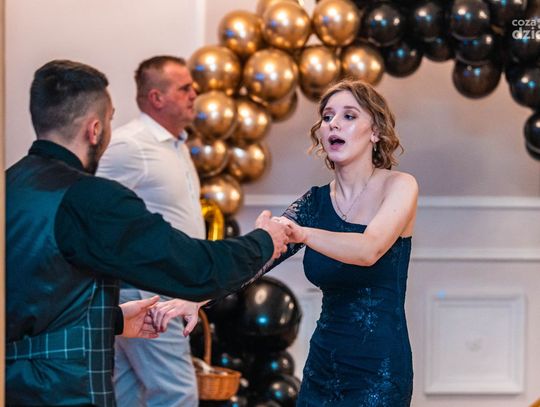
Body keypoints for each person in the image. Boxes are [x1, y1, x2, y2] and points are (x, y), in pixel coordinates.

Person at [6, 59, 291, 407]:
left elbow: (37, 298)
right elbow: (195, 270)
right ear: (95, 130)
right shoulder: (90, 197)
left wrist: (112, 320)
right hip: (60, 390)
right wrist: (265, 241)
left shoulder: (11, 183)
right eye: (110, 120)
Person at [264, 79, 418, 406]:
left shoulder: (400, 186)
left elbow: (368, 249)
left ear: (375, 131)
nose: (334, 123)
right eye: (327, 116)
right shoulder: (314, 203)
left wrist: (304, 234)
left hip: (378, 372)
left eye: (349, 115)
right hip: (322, 367)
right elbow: (257, 260)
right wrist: (196, 299)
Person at [96, 55, 206, 407]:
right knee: (177, 394)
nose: (194, 93)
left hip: (164, 286)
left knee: (127, 393)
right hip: (148, 291)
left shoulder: (177, 144)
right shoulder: (130, 144)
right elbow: (90, 209)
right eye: (184, 88)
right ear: (157, 98)